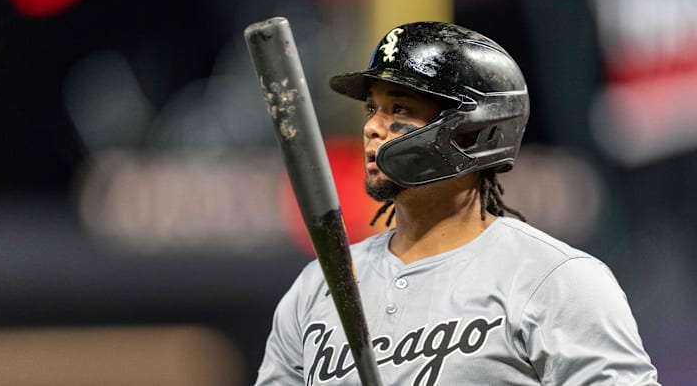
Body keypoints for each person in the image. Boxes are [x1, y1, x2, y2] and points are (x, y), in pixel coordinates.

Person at [254, 22, 659, 385]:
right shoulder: (317, 286)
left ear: (472, 131)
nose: (373, 127)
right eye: (371, 108)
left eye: (399, 109)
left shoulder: (553, 280)